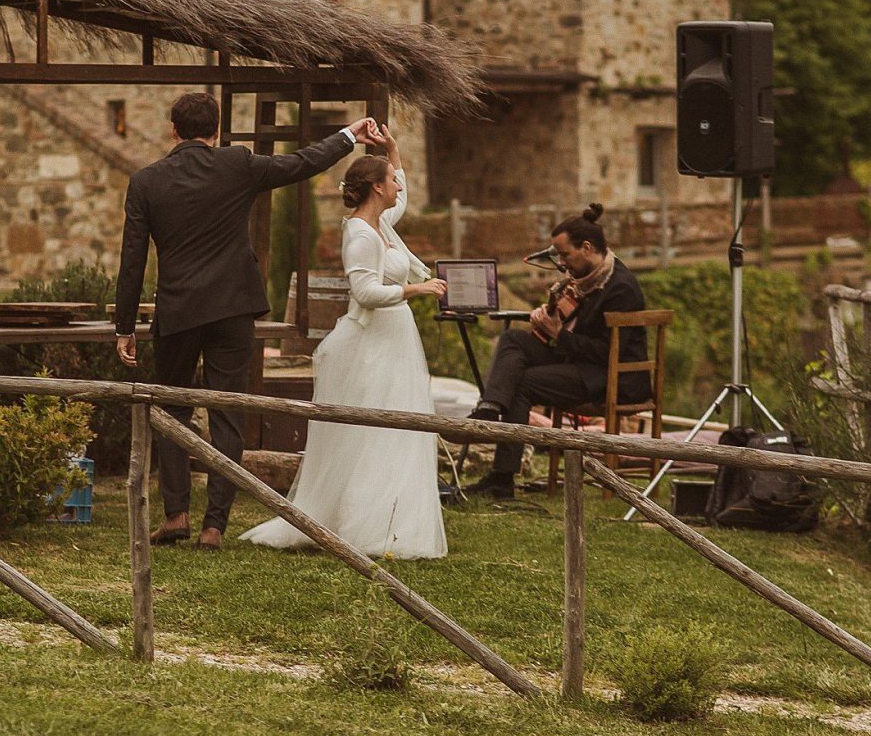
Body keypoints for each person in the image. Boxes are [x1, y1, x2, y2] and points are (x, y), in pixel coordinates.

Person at [113, 92, 377, 548]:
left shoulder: (146, 182)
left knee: (172, 409)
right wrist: (348, 135)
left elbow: (132, 260)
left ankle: (176, 515)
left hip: (178, 311)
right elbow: (301, 163)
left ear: (173, 130)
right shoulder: (237, 165)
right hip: (233, 309)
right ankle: (215, 525)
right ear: (216, 131)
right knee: (227, 413)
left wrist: (124, 326)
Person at [243, 129, 450, 559]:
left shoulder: (382, 224)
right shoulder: (360, 234)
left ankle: (393, 519)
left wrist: (393, 150)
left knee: (401, 427)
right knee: (373, 430)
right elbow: (365, 293)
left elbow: (403, 198)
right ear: (376, 187)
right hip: (371, 343)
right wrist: (418, 289)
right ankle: (362, 523)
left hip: (394, 339)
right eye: (392, 179)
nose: (398, 186)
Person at [466, 204, 650, 500]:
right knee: (514, 338)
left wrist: (558, 334)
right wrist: (550, 316)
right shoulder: (587, 280)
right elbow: (576, 330)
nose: (562, 264)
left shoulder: (621, 288)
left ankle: (502, 477)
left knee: (523, 382)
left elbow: (606, 352)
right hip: (580, 362)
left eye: (565, 255)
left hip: (611, 375)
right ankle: (491, 406)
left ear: (587, 248)